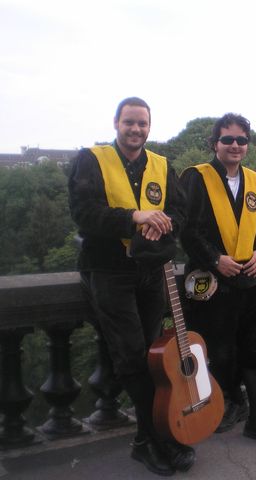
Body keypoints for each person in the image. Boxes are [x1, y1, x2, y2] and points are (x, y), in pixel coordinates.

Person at [68, 97, 195, 476]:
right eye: (129, 122)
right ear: (116, 123)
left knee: (154, 355)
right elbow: (83, 213)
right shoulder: (91, 160)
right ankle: (151, 439)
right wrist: (136, 217)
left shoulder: (161, 165)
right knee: (132, 357)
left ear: (149, 127)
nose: (136, 129)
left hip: (151, 270)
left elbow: (181, 211)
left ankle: (156, 434)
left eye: (142, 123)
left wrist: (163, 224)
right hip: (109, 270)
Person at [178, 113, 256, 449]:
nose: (235, 145)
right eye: (228, 139)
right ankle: (227, 403)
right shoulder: (196, 178)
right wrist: (215, 260)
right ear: (215, 143)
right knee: (218, 350)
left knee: (255, 350)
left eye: (242, 140)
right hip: (213, 281)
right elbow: (187, 230)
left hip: (252, 279)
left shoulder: (255, 181)